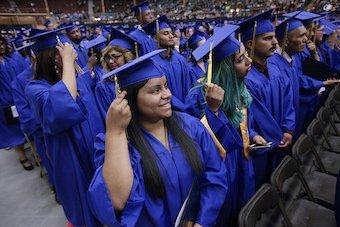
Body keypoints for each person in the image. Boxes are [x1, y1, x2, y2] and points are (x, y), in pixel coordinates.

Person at [87, 49, 228, 226]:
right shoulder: (116, 143)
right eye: (155, 90)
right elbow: (115, 200)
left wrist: (203, 221)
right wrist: (116, 133)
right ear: (131, 99)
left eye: (166, 86)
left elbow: (214, 175)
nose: (168, 94)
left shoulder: (190, 126)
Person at [25, 29, 103, 227]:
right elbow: (61, 109)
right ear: (51, 57)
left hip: (96, 150)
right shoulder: (35, 89)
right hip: (71, 157)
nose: (72, 53)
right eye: (65, 51)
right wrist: (67, 63)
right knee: (84, 206)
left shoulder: (80, 79)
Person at [193, 24, 262, 226]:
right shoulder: (198, 96)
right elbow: (201, 144)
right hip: (221, 168)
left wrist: (253, 133)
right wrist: (212, 110)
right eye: (240, 59)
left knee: (244, 209)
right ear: (225, 68)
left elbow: (244, 123)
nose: (249, 61)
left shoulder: (241, 88)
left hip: (244, 160)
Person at [239, 10, 295, 187]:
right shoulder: (245, 80)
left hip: (281, 141)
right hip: (260, 147)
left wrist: (288, 129)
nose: (275, 42)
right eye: (267, 38)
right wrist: (278, 136)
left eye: (274, 37)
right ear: (250, 43)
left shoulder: (275, 69)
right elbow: (255, 118)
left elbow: (288, 102)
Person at [268, 13, 340, 137]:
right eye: (301, 35)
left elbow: (299, 78)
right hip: (285, 121)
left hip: (295, 114)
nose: (306, 39)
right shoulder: (274, 65)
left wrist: (321, 83)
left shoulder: (293, 57)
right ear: (286, 41)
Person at [143, 15, 204, 104]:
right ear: (155, 38)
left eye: (171, 33)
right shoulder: (152, 64)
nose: (171, 36)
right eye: (165, 33)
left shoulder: (180, 59)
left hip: (187, 109)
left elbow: (190, 85)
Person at [0, 35, 32, 170]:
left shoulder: (15, 57)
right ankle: (22, 156)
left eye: (2, 43)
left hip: (21, 97)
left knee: (29, 124)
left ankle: (37, 153)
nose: (1, 46)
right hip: (5, 103)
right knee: (14, 130)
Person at [94, 28, 139, 124]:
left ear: (127, 56)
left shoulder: (139, 79)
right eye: (107, 57)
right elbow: (106, 118)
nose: (110, 61)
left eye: (115, 56)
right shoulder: (103, 87)